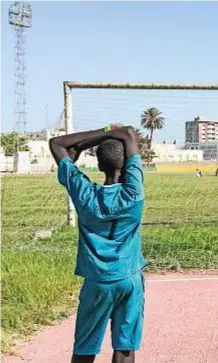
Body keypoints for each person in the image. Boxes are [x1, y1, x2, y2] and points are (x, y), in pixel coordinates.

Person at [49, 125, 145, 363]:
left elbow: (57, 144)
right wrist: (115, 132)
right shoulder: (134, 193)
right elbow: (129, 132)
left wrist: (83, 145)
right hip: (129, 278)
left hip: (97, 281)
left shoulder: (84, 194)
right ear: (126, 166)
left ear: (100, 166)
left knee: (85, 347)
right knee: (125, 346)